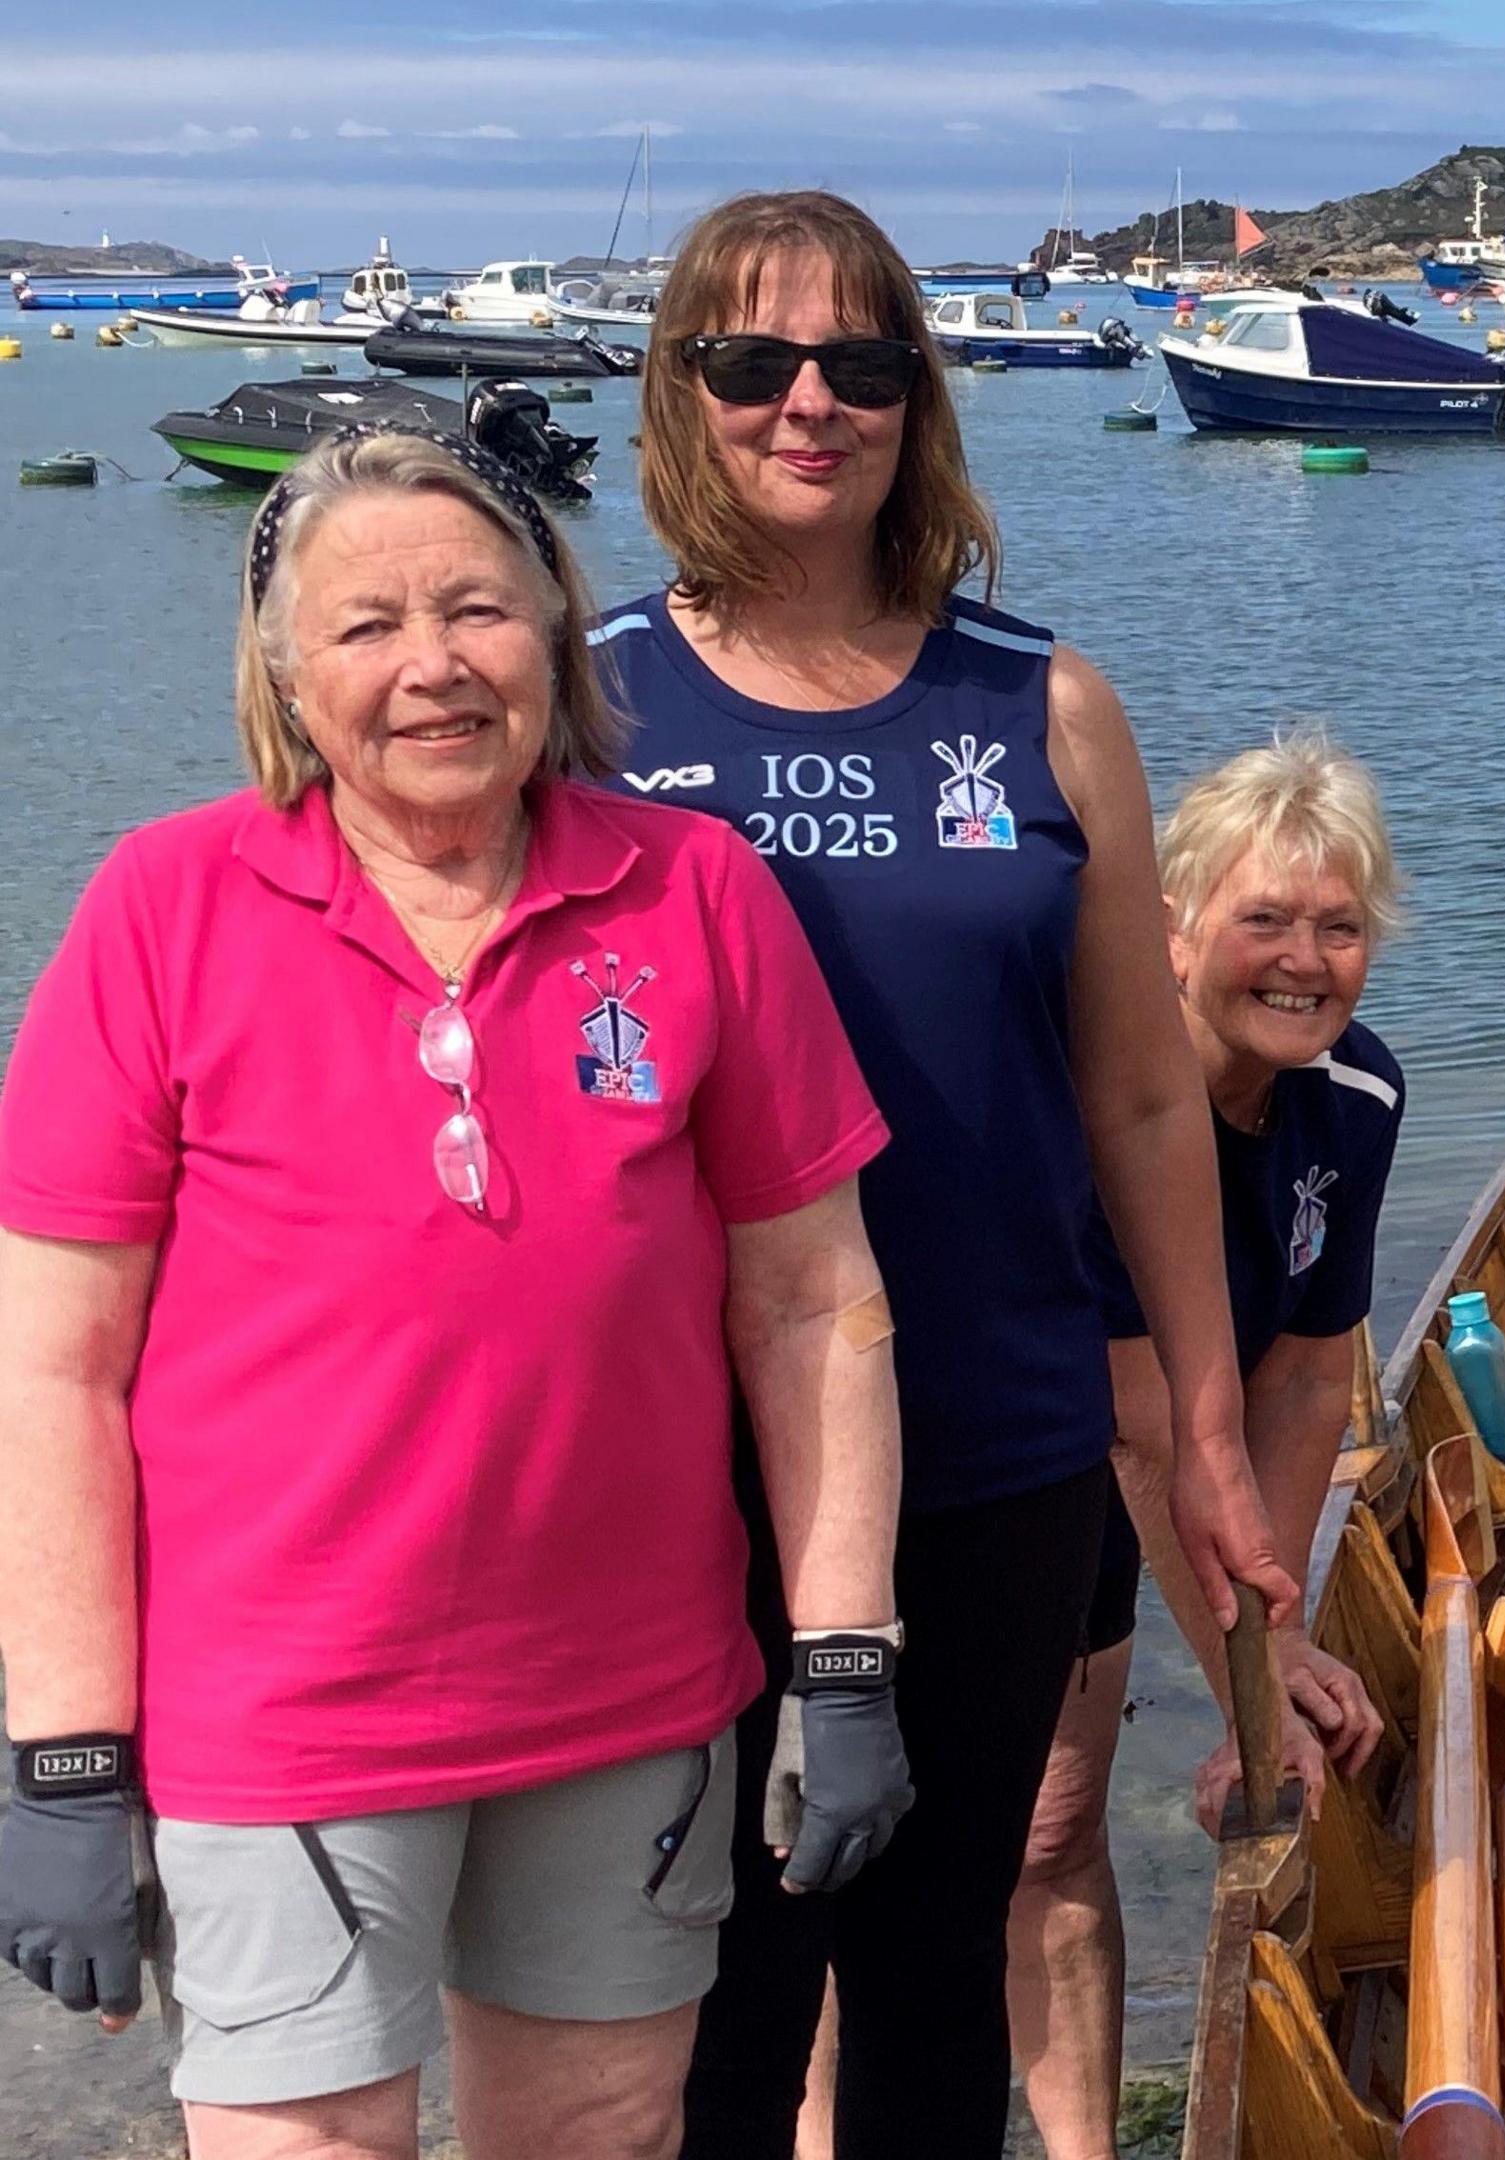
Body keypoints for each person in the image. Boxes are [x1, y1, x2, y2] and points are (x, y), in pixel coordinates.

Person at [0, 428, 905, 2160]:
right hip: (279, 1704)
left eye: (479, 609)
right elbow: (53, 1368)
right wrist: (63, 1753)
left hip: (627, 1693)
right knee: (309, 2139)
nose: (431, 664)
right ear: (283, 674)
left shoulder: (694, 888)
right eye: (364, 626)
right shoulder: (159, 909)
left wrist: (847, 1651)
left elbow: (812, 1303)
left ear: (557, 638)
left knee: (602, 2125)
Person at [593, 190, 1288, 2160]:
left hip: (997, 1441)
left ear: (918, 393)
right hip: (688, 1466)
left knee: (930, 1968)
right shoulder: (596, 703)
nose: (810, 401)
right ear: (683, 391)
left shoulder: (1043, 705)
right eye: (754, 360)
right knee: (710, 1983)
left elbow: (1147, 1108)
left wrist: (1211, 1438)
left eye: (863, 361)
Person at [1009, 736, 1403, 2160]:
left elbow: (1304, 1384)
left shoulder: (1354, 1101)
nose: (1304, 961)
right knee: (1029, 1823)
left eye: (1340, 927)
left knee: (1056, 1830)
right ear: (1172, 929)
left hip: (1203, 1454)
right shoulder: (1088, 1101)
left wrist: (1278, 1632)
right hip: (1033, 1453)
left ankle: (1084, 2145)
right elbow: (1139, 1421)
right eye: (1265, 921)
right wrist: (1254, 1688)